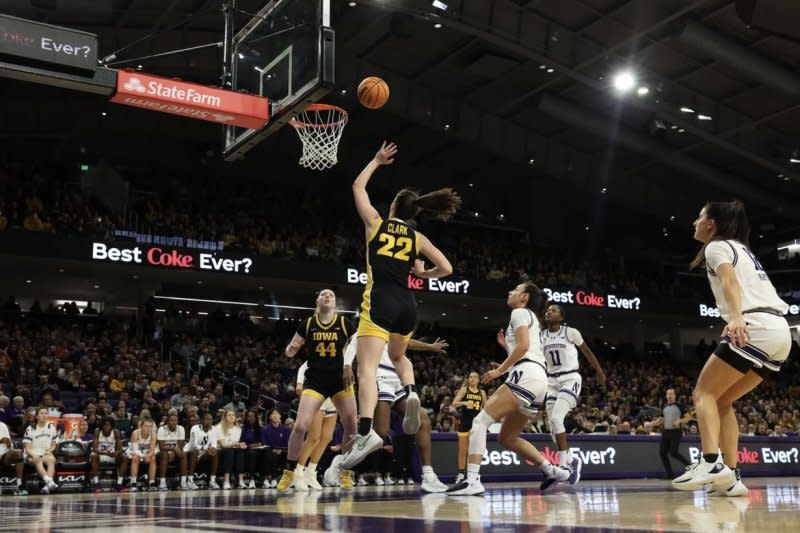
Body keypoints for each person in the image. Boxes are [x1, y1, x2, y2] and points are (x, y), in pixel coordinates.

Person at [344, 141, 460, 469]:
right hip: (407, 304)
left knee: (366, 369)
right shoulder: (417, 238)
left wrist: (377, 160)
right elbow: (448, 268)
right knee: (398, 356)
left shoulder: (376, 224)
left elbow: (357, 185)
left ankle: (367, 432)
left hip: (379, 300)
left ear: (394, 206)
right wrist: (423, 276)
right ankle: (410, 391)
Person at [673, 201, 791, 496]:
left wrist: (737, 317)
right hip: (781, 333)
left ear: (711, 223)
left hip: (755, 326)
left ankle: (711, 462)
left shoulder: (717, 247)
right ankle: (731, 477)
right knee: (722, 402)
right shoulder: (743, 249)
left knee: (703, 394)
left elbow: (729, 280)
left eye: (699, 217)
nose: (694, 222)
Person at [446, 282, 570, 496]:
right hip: (539, 380)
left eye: (515, 290)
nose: (510, 291)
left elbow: (523, 347)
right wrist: (507, 347)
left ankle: (472, 480)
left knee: (479, 422)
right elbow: (526, 348)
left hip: (526, 375)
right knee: (508, 438)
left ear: (524, 298)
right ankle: (553, 471)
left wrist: (499, 371)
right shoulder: (533, 319)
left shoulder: (519, 312)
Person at [327, 335, 449, 492]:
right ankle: (340, 463)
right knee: (378, 435)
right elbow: (353, 344)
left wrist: (430, 346)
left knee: (423, 420)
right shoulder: (367, 324)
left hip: (396, 380)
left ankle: (428, 475)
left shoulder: (389, 326)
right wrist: (347, 365)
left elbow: (405, 342)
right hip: (376, 377)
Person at [280, 289, 358, 491]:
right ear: (317, 301)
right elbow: (292, 348)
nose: (327, 297)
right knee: (300, 426)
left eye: (331, 295)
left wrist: (348, 364)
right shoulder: (307, 324)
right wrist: (291, 349)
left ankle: (346, 470)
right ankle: (289, 471)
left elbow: (357, 342)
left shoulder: (344, 323)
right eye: (324, 294)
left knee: (351, 424)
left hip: (340, 380)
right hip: (315, 380)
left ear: (335, 303)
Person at [540, 303, 606, 484]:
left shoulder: (570, 332)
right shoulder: (541, 335)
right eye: (548, 310)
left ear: (561, 317)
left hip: (570, 378)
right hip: (551, 381)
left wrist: (599, 372)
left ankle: (563, 466)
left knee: (556, 419)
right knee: (552, 428)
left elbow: (587, 352)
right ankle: (572, 459)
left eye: (553, 310)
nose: (549, 312)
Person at [294, 360, 339, 490]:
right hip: (317, 396)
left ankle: (310, 473)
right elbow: (304, 366)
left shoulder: (342, 357)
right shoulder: (321, 352)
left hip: (333, 399)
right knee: (313, 437)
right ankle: (298, 474)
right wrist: (299, 384)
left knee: (326, 438)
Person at [451, 372, 486, 484]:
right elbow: (454, 404)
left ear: (478, 380)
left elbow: (486, 409)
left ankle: (473, 474)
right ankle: (461, 474)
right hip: (465, 423)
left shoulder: (482, 393)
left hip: (476, 425)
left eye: (475, 377)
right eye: (470, 377)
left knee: (474, 451)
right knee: (462, 451)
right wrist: (464, 403)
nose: (472, 379)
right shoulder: (464, 390)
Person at [652, 388, 692, 479]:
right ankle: (670, 474)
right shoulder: (664, 406)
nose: (669, 396)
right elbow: (662, 419)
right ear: (666, 396)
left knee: (673, 452)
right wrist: (654, 423)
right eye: (668, 394)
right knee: (662, 453)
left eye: (671, 394)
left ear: (674, 395)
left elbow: (688, 417)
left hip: (676, 432)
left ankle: (690, 467)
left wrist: (680, 420)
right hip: (666, 431)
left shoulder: (680, 406)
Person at [22, 407, 59, 494]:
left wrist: (50, 450)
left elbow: (54, 445)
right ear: (37, 416)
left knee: (51, 459)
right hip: (31, 454)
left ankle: (47, 487)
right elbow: (27, 448)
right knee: (38, 460)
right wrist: (34, 455)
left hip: (45, 453)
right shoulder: (30, 428)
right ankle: (49, 482)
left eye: (46, 413)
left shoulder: (51, 427)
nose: (44, 415)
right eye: (42, 413)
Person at [90, 417, 129, 492]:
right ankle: (96, 484)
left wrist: (116, 453)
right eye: (105, 425)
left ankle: (119, 484)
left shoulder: (115, 432)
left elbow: (120, 449)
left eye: (109, 425)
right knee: (93, 456)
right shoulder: (97, 431)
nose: (107, 427)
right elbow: (94, 449)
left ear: (112, 426)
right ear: (102, 425)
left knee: (124, 457)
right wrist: (105, 453)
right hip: (100, 454)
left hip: (111, 455)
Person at [157, 412, 192, 490]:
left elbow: (180, 446)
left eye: (175, 420)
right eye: (171, 420)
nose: (173, 422)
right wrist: (173, 449)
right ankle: (162, 482)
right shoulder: (161, 429)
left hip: (175, 452)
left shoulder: (181, 429)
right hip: (161, 453)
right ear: (167, 422)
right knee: (165, 454)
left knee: (183, 454)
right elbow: (161, 447)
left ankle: (183, 482)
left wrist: (173, 451)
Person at [185, 412, 220, 490]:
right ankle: (190, 481)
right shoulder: (195, 428)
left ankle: (212, 481)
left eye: (211, 419)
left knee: (215, 453)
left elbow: (214, 443)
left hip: (204, 453)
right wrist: (207, 448)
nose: (209, 421)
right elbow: (194, 445)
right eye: (207, 419)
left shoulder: (214, 429)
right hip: (190, 452)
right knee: (195, 452)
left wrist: (212, 449)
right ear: (201, 420)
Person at [216, 408, 246, 490]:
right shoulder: (219, 427)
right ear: (225, 417)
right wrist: (235, 444)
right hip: (220, 451)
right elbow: (223, 444)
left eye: (233, 415)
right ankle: (226, 481)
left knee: (239, 451)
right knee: (229, 451)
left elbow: (234, 444)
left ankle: (240, 480)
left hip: (232, 450)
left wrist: (240, 445)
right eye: (229, 415)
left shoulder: (238, 429)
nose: (231, 417)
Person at [128, 418, 158, 492]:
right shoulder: (135, 433)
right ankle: (133, 482)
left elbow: (152, 449)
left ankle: (152, 483)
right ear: (141, 427)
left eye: (150, 426)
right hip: (135, 451)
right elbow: (135, 450)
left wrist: (148, 455)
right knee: (135, 457)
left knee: (153, 458)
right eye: (146, 426)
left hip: (146, 452)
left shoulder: (153, 434)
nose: (148, 428)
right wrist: (144, 456)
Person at [1, 420, 27, 495]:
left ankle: (19, 484)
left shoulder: (2, 425)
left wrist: (9, 443)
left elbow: (10, 446)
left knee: (18, 452)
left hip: (4, 454)